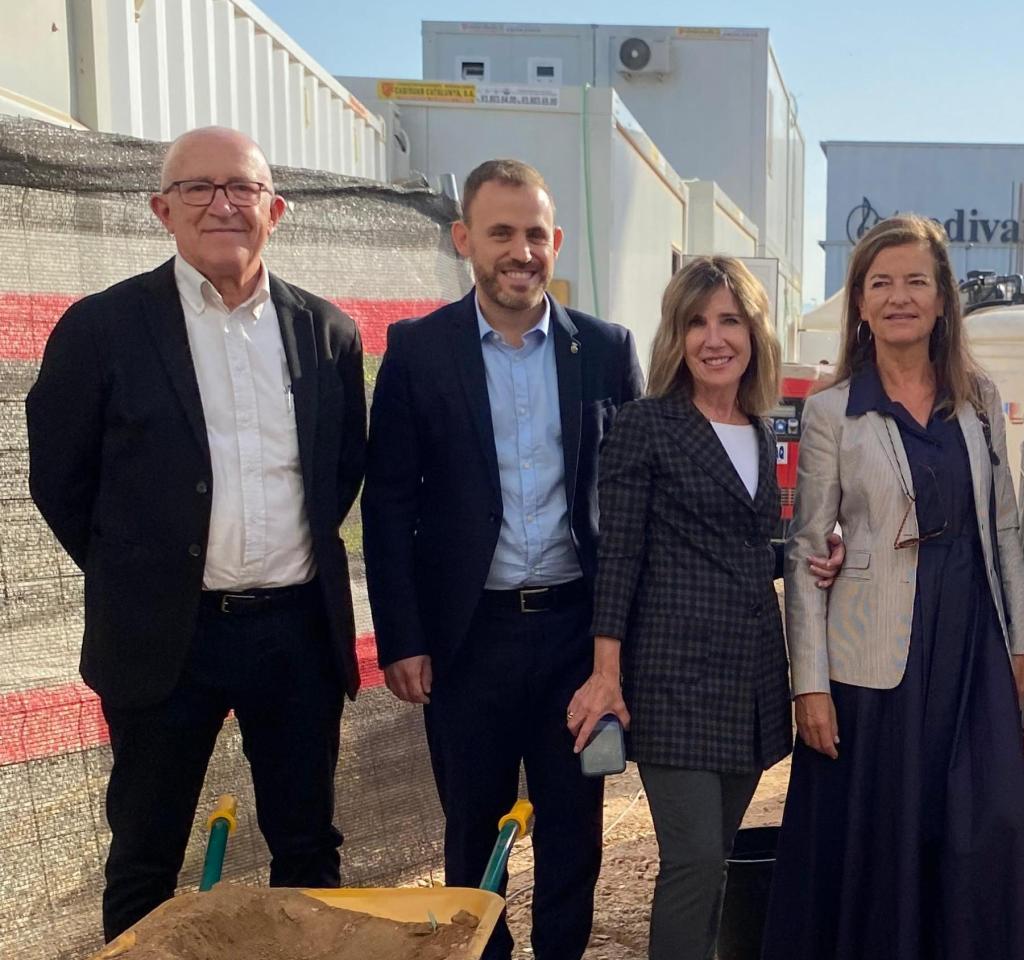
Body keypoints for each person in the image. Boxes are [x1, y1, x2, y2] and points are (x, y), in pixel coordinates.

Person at [27, 126, 366, 941]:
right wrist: (142, 572)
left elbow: (338, 473)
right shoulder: (101, 328)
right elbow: (60, 482)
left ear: (275, 210)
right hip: (162, 638)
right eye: (199, 189)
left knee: (308, 847)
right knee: (147, 854)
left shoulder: (327, 334)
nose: (223, 205)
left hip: (294, 637)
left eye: (242, 188)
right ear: (162, 210)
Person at [361, 158, 642, 960]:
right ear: (464, 240)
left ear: (555, 242)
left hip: (573, 643)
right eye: (501, 233)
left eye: (534, 234)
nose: (521, 251)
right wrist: (404, 636)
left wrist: (616, 649)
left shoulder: (605, 350)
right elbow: (387, 505)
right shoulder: (418, 350)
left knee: (572, 836)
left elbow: (626, 505)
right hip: (466, 641)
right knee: (471, 837)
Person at [764, 213, 1024, 960]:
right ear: (859, 303)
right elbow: (804, 549)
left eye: (916, 281)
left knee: (985, 828)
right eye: (880, 283)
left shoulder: (981, 400)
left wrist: (1023, 643)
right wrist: (810, 685)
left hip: (972, 650)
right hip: (871, 659)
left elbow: (1005, 530)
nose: (899, 297)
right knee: (878, 840)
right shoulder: (832, 412)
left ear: (943, 297)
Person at [568, 256, 803, 960]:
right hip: (672, 680)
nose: (713, 338)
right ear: (675, 335)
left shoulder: (763, 429)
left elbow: (750, 545)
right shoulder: (648, 424)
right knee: (695, 860)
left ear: (754, 333)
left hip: (752, 678)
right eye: (696, 322)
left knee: (719, 860)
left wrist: (811, 555)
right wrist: (605, 674)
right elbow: (622, 557)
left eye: (730, 320)